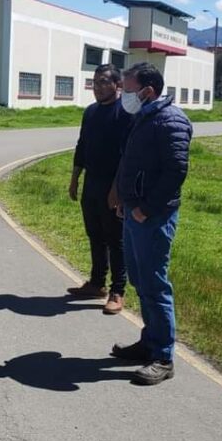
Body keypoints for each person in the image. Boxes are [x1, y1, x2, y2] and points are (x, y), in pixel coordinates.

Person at [109, 62, 192, 385]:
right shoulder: (144, 116)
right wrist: (125, 200)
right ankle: (149, 342)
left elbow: (175, 171)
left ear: (147, 91)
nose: (123, 95)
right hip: (134, 211)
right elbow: (132, 162)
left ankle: (163, 357)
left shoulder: (171, 120)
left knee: (155, 284)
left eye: (127, 89)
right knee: (141, 281)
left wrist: (146, 208)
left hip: (153, 215)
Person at [66, 63, 132, 314]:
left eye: (104, 82)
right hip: (91, 183)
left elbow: (127, 154)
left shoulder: (124, 112)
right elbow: (82, 146)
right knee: (95, 235)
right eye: (95, 82)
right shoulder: (91, 112)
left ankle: (118, 291)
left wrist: (116, 189)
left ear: (118, 85)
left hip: (113, 184)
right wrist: (75, 178)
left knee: (115, 239)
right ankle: (96, 283)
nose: (98, 87)